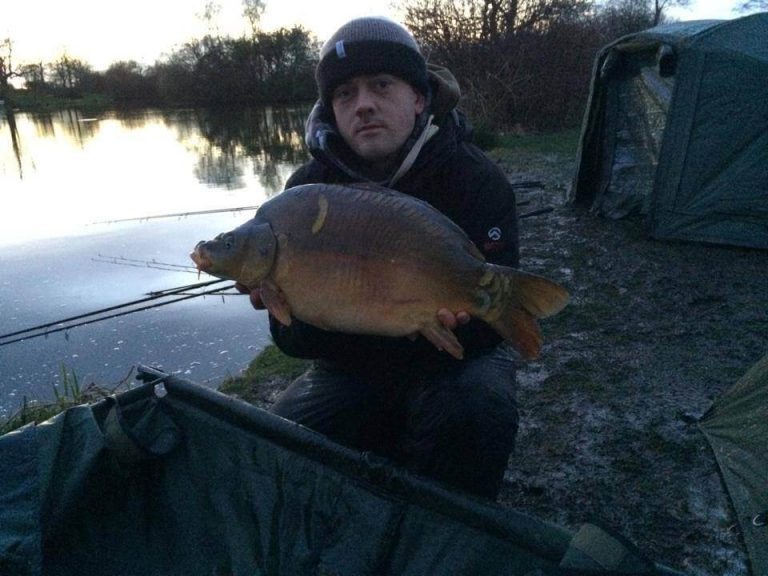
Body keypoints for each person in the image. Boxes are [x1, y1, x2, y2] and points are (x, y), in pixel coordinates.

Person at [243, 17, 521, 500]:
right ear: (331, 110)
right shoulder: (304, 193)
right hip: (350, 368)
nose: (364, 104)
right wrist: (302, 310)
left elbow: (490, 327)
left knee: (476, 410)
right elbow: (290, 340)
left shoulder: (476, 180)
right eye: (345, 94)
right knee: (282, 446)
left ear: (419, 98)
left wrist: (447, 324)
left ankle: (447, 528)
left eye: (381, 85)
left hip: (452, 364)